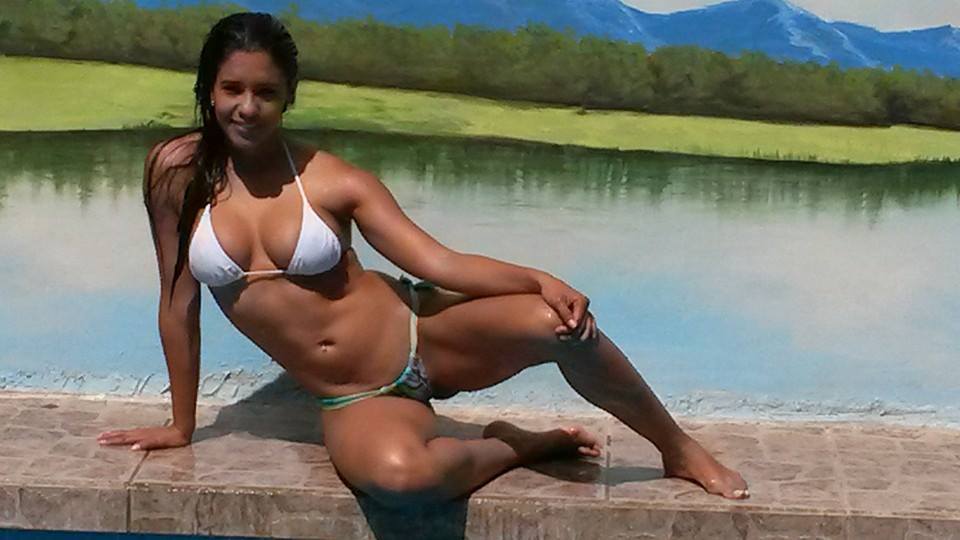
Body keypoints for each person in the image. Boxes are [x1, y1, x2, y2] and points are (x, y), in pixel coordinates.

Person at [96, 12, 748, 504]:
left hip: (423, 334)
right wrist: (182, 424)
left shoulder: (333, 179)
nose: (247, 107)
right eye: (232, 88)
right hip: (356, 395)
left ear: (288, 95)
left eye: (265, 92)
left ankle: (678, 448)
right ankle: (513, 446)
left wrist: (538, 279)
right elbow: (178, 301)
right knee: (401, 481)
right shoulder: (174, 173)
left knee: (564, 326)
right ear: (208, 90)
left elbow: (437, 262)